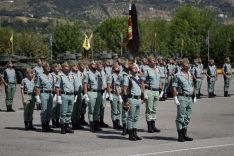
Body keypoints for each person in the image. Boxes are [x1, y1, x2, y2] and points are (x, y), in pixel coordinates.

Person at [172, 58, 195, 142]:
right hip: (182, 97)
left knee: (187, 117)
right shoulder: (177, 75)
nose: (188, 66)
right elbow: (174, 87)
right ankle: (180, 135)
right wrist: (175, 98)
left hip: (189, 97)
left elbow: (192, 85)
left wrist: (194, 96)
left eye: (188, 64)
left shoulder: (190, 74)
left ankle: (185, 134)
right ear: (182, 65)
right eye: (186, 65)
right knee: (180, 117)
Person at [123, 63, 145, 141]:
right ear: (130, 70)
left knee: (136, 117)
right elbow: (125, 90)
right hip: (131, 99)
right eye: (133, 68)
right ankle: (130, 134)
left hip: (138, 99)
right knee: (130, 117)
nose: (135, 69)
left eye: (136, 68)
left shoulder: (139, 78)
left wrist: (142, 97)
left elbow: (142, 88)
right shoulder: (128, 78)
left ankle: (135, 133)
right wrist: (125, 101)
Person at [55, 62, 76, 134]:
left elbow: (73, 85)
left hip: (71, 95)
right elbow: (57, 87)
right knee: (63, 112)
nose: (68, 68)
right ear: (63, 68)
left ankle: (67, 127)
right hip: (64, 95)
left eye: (68, 66)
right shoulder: (60, 76)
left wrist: (75, 95)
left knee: (69, 112)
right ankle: (62, 128)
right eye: (66, 67)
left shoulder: (71, 75)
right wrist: (58, 97)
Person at [83, 61, 103, 132]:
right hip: (91, 92)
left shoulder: (98, 73)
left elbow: (101, 82)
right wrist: (85, 94)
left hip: (98, 92)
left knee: (97, 110)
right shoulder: (87, 73)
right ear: (90, 66)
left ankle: (96, 124)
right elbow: (85, 84)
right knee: (91, 109)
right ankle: (91, 125)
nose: (95, 65)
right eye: (93, 64)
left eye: (95, 64)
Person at [143, 56, 161, 133]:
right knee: (149, 109)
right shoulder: (147, 70)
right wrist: (144, 93)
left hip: (157, 91)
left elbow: (160, 79)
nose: (154, 62)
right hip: (150, 91)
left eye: (155, 60)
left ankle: (153, 125)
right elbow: (142, 82)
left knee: (154, 109)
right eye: (152, 61)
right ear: (149, 62)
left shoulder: (158, 69)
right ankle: (149, 126)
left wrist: (160, 88)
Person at [35, 63, 54, 132]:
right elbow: (37, 86)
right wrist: (37, 97)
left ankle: (47, 125)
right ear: (43, 68)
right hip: (43, 93)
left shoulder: (51, 75)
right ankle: (43, 126)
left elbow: (54, 86)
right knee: (44, 110)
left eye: (49, 66)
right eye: (46, 66)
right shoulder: (40, 76)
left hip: (50, 94)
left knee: (49, 111)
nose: (48, 68)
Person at [107, 63, 123, 129]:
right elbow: (108, 85)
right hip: (113, 94)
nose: (118, 68)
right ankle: (114, 123)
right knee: (114, 110)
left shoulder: (120, 76)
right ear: (113, 69)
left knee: (119, 110)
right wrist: (110, 94)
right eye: (117, 67)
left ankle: (118, 122)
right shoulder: (111, 76)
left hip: (119, 94)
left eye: (119, 67)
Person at [51, 63, 61, 128]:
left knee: (58, 108)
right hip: (53, 93)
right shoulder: (51, 75)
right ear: (53, 68)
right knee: (53, 108)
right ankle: (53, 121)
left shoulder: (60, 75)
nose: (57, 68)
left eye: (58, 67)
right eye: (56, 67)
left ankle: (57, 121)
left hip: (59, 93)